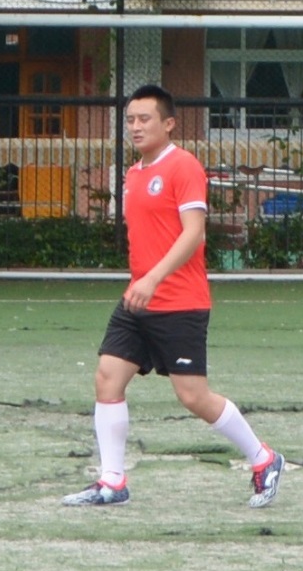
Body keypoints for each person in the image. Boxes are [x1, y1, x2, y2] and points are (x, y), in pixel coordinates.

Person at [63, 84, 285, 510]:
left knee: (193, 396)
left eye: (144, 119)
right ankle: (112, 481)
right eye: (130, 120)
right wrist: (142, 283)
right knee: (107, 378)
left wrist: (153, 279)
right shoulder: (133, 173)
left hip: (180, 302)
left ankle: (263, 458)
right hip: (138, 301)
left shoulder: (183, 166)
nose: (135, 126)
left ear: (168, 124)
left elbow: (193, 234)